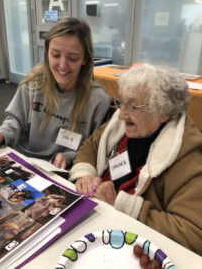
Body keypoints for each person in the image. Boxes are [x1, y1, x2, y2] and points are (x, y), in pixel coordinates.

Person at [69, 63, 202, 256]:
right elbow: (91, 146)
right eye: (121, 102)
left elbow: (194, 234)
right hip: (94, 219)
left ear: (163, 112)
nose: (121, 114)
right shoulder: (120, 124)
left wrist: (123, 205)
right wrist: (85, 174)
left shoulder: (186, 155)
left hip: (129, 244)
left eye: (132, 106)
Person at [0, 18, 110, 169]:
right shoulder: (34, 82)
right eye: (55, 55)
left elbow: (94, 148)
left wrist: (68, 157)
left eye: (73, 58)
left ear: (85, 59)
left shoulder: (98, 100)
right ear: (47, 53)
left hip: (63, 171)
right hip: (25, 160)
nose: (62, 65)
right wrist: (1, 136)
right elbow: (15, 120)